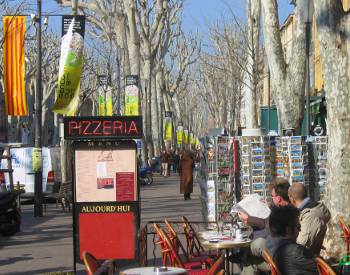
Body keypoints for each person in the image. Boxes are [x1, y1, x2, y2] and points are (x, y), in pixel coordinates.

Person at [238, 178, 291, 275]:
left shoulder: (285, 212)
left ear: (279, 198)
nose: (271, 198)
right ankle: (242, 255)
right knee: (251, 256)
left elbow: (269, 227)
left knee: (254, 249)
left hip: (280, 256)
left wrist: (250, 219)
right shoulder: (284, 209)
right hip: (279, 252)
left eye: (272, 196)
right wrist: (269, 207)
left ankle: (242, 255)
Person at [266, 205, 318, 275]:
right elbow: (324, 269)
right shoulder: (296, 252)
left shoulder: (269, 242)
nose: (300, 230)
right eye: (298, 226)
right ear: (288, 230)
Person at [288, 182, 331, 254]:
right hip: (309, 259)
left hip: (305, 262)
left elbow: (301, 247)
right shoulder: (313, 209)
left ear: (292, 199)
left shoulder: (310, 216)